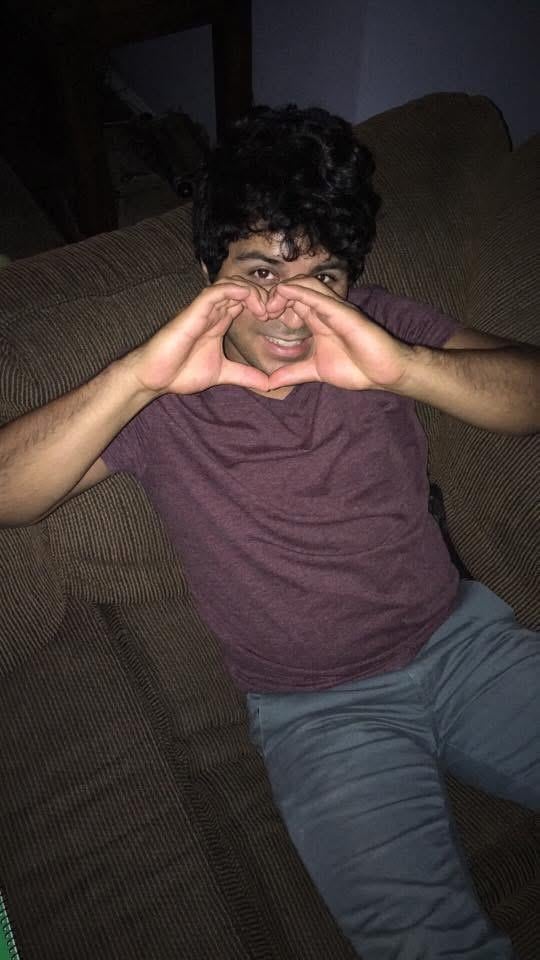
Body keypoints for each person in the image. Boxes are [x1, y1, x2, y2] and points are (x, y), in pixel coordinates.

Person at [0, 105, 539, 960]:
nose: (291, 310)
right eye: (260, 273)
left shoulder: (381, 329)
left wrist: (405, 368)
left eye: (322, 277)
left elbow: (530, 394)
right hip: (321, 714)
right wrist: (136, 377)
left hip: (466, 646)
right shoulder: (165, 394)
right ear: (208, 267)